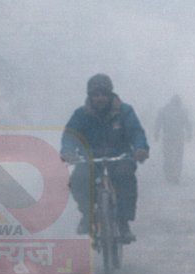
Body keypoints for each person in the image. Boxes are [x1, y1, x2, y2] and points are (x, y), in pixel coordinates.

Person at [60, 73, 149, 241]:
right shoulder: (80, 115)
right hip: (91, 160)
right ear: (90, 96)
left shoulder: (125, 112)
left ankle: (123, 222)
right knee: (78, 181)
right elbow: (70, 135)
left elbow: (136, 132)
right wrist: (68, 151)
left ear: (110, 94)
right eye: (95, 95)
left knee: (126, 179)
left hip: (120, 157)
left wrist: (140, 149)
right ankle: (87, 215)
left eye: (103, 94)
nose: (100, 98)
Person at [153, 94, 192, 184]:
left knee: (168, 157)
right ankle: (176, 176)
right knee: (178, 157)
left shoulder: (164, 110)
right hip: (178, 137)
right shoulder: (182, 111)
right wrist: (189, 134)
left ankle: (169, 175)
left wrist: (156, 133)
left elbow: (158, 123)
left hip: (168, 137)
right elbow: (187, 124)